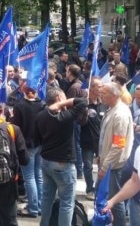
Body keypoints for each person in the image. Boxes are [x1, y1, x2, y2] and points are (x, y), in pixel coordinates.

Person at [35, 87, 88, 226]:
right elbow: (83, 102)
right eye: (64, 97)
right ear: (59, 98)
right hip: (62, 164)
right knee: (66, 202)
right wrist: (60, 104)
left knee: (47, 198)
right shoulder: (63, 117)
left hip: (46, 161)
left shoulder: (41, 114)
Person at [98, 82, 134, 226]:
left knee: (115, 199)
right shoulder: (112, 109)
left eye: (104, 93)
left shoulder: (120, 114)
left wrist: (105, 166)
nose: (101, 95)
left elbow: (118, 145)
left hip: (114, 166)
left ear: (115, 95)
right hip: (108, 162)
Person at [10, 80, 45, 218]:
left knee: (30, 177)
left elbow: (16, 128)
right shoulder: (42, 104)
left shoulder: (20, 106)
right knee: (38, 175)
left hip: (27, 145)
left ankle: (33, 208)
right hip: (39, 144)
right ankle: (39, 205)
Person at [81, 77, 106, 201]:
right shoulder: (84, 103)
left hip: (101, 142)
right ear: (91, 88)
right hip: (87, 140)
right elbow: (79, 122)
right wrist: (83, 113)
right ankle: (90, 189)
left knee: (102, 166)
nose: (101, 88)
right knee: (88, 166)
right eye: (99, 86)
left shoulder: (103, 104)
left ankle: (99, 188)